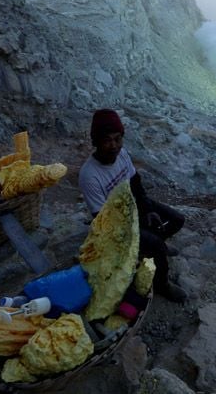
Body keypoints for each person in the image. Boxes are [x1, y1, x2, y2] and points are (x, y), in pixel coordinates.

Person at [78, 109, 187, 303]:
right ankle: (162, 284)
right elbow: (104, 220)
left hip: (132, 207)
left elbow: (136, 184)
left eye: (117, 139)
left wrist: (147, 210)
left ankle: (151, 248)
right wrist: (137, 222)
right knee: (155, 243)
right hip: (114, 226)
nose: (113, 145)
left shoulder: (122, 155)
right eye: (107, 140)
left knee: (177, 219)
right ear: (96, 142)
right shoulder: (89, 175)